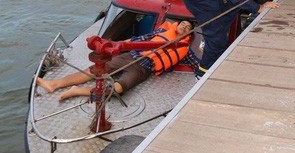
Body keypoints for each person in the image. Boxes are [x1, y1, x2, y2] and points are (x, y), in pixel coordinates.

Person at [36, 20, 195, 101]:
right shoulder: (162, 31)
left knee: (119, 88)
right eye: (183, 24)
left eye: (188, 27)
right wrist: (115, 45)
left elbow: (199, 64)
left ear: (189, 33)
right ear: (177, 25)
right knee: (94, 71)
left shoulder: (185, 50)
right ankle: (54, 84)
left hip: (142, 69)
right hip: (129, 56)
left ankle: (76, 91)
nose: (184, 27)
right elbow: (140, 39)